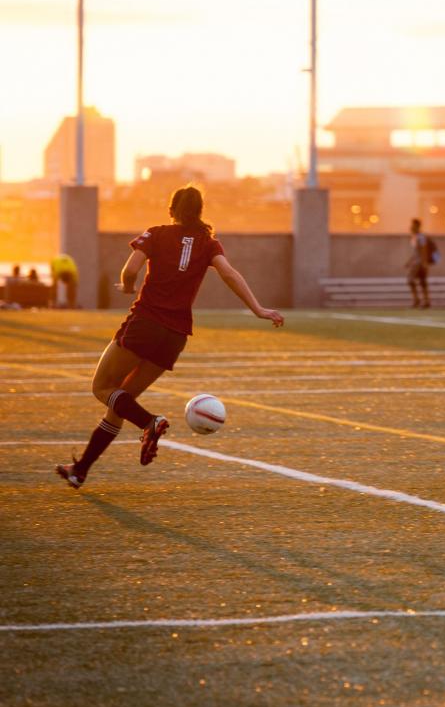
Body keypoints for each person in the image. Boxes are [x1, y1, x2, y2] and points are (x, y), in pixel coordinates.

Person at [55, 186, 284, 489]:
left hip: (145, 324)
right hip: (175, 336)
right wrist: (257, 308)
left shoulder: (157, 234)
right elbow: (229, 273)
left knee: (102, 387)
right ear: (200, 211)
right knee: (121, 402)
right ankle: (81, 469)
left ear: (171, 209)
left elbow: (131, 268)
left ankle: (150, 423)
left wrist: (127, 285)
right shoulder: (208, 243)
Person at [406, 218, 432, 309]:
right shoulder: (415, 237)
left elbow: (424, 250)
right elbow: (416, 252)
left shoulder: (421, 237)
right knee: (422, 282)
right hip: (416, 262)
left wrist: (424, 264)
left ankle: (419, 300)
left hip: (419, 263)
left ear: (417, 226)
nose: (411, 226)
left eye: (413, 224)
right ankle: (424, 301)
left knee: (412, 280)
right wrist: (409, 261)